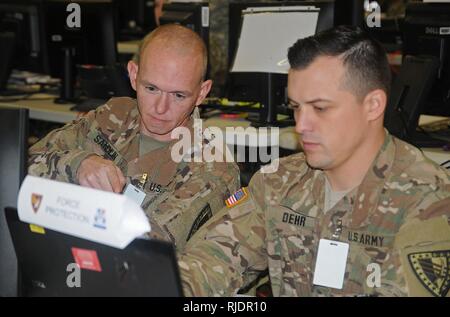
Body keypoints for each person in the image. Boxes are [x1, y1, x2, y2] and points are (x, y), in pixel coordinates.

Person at [178, 26, 450, 297]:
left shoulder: (428, 200)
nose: (301, 124)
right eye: (296, 107)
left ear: (373, 105)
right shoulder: (279, 181)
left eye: (320, 108)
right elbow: (210, 259)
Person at [28, 24, 240, 250]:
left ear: (202, 93)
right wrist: (78, 164)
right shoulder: (112, 116)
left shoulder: (212, 169)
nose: (160, 108)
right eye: (151, 88)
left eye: (178, 95)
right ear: (133, 74)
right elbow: (23, 164)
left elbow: (147, 246)